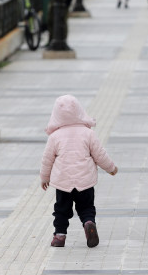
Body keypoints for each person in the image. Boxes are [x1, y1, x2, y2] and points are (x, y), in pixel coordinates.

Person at [40, 95, 118, 248]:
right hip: (85, 182)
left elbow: (47, 159)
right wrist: (111, 168)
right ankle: (89, 223)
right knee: (87, 207)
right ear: (80, 112)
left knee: (61, 210)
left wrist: (44, 178)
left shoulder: (55, 137)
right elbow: (100, 155)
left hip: (63, 183)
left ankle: (59, 236)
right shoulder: (88, 133)